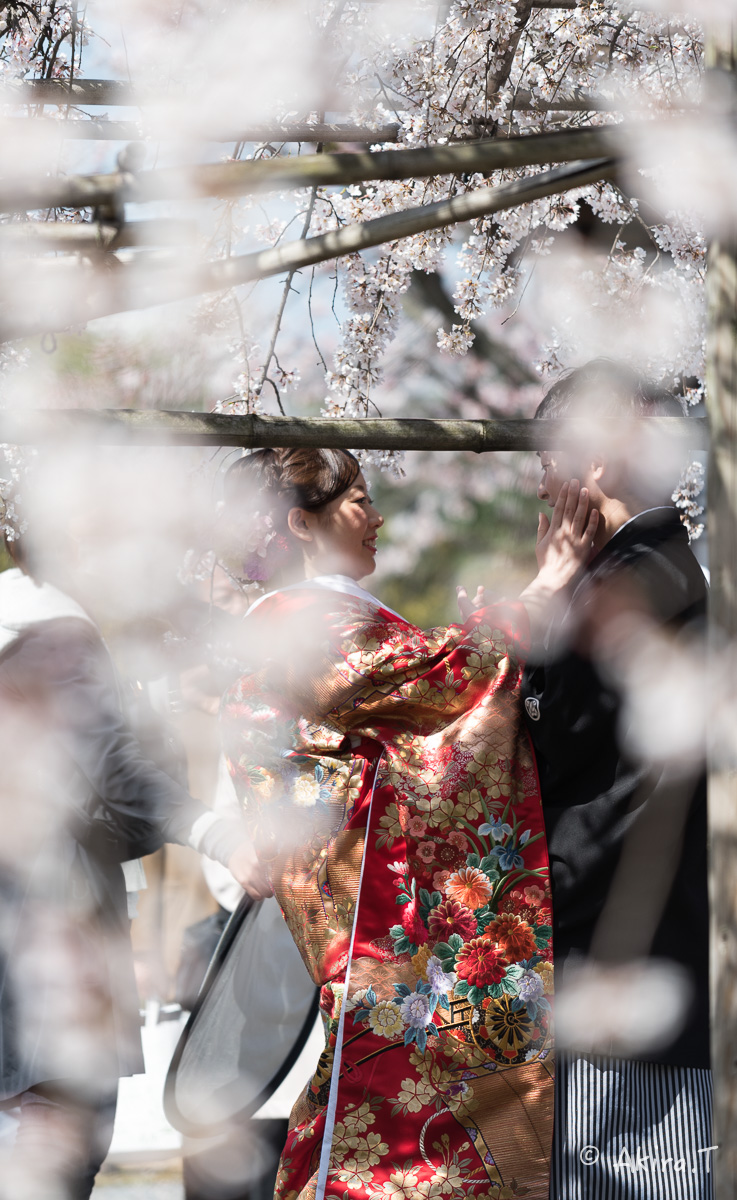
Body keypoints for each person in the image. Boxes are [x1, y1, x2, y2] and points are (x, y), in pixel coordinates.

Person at [219, 447, 598, 1200]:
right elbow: (431, 682)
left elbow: (420, 697)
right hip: (371, 912)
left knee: (386, 1095)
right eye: (358, 498)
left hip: (368, 905)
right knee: (390, 1106)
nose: (378, 515)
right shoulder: (297, 623)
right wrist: (542, 590)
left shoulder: (320, 619)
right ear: (301, 522)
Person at [0, 538, 269, 1200]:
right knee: (53, 1143)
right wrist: (215, 833)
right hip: (49, 927)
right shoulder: (55, 635)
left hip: (30, 910)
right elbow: (113, 765)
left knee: (48, 1134)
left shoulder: (20, 628)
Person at [520, 359, 710, 1199]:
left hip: (602, 928)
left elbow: (546, 752)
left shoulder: (617, 588)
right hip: (671, 931)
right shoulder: (677, 569)